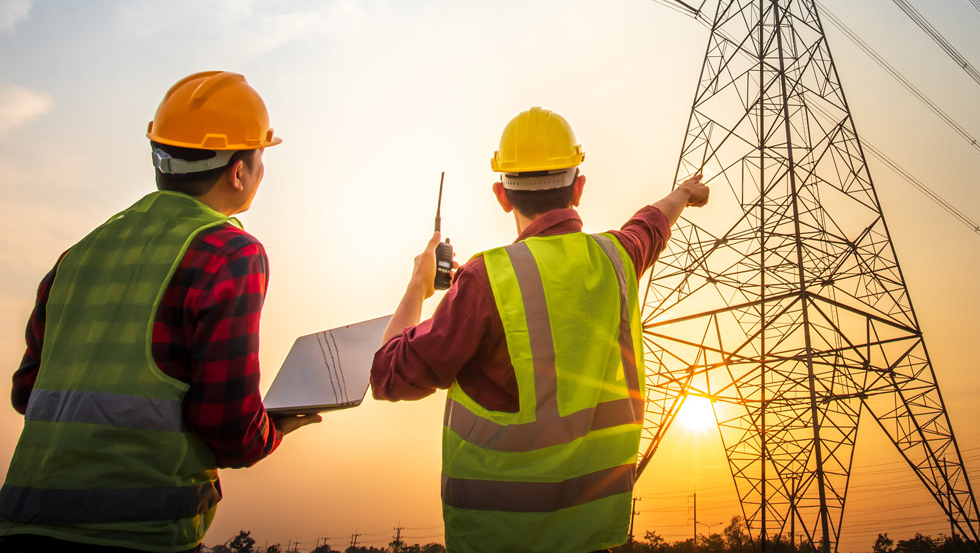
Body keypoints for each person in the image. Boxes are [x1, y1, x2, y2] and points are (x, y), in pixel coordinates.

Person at [0, 71, 320, 553]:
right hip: (136, 532)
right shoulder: (228, 253)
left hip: (21, 520)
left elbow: (29, 393)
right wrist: (274, 427)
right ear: (238, 171)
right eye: (259, 156)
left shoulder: (79, 254)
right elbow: (228, 427)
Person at [371, 106, 709, 553]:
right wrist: (684, 193)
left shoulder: (485, 279)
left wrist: (418, 287)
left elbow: (389, 375)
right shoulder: (616, 259)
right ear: (579, 187)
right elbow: (650, 224)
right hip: (592, 539)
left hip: (497, 540)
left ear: (501, 195)